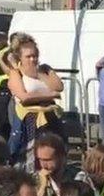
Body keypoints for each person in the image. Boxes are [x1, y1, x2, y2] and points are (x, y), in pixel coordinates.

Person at [7, 35, 64, 167]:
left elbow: (58, 87)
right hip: (29, 120)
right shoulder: (16, 73)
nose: (33, 59)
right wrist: (49, 95)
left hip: (50, 118)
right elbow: (24, 97)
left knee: (53, 151)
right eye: (28, 56)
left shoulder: (44, 69)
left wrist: (39, 74)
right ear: (20, 58)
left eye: (35, 56)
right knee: (29, 156)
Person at [36, 132, 81, 196]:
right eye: (40, 159)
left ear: (62, 157)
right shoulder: (35, 180)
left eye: (48, 160)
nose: (44, 165)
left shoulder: (78, 178)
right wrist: (41, 189)